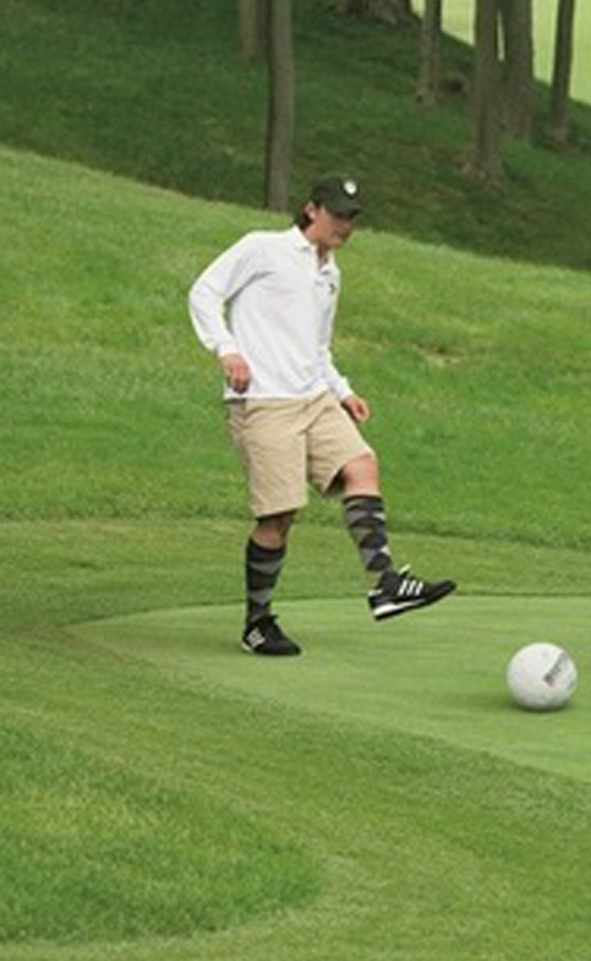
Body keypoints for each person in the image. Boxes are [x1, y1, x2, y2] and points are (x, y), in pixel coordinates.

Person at [185, 175, 454, 656]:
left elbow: (317, 346)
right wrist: (226, 350)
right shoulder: (262, 249)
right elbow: (204, 292)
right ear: (311, 210)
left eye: (352, 217)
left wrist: (343, 391)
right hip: (263, 400)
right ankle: (257, 622)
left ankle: (385, 585)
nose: (346, 225)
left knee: (362, 466)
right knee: (278, 517)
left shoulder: (330, 273)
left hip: (314, 397)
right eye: (338, 214)